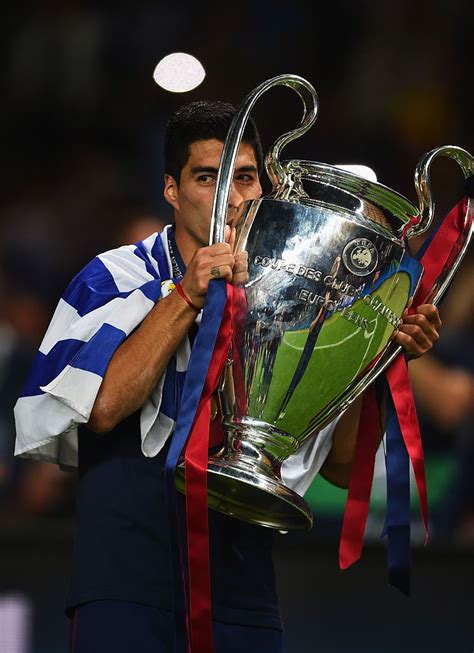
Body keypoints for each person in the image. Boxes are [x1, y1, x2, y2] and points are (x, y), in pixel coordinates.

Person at [13, 100, 441, 652]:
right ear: (171, 189)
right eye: (206, 177)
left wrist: (379, 351)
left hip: (245, 597)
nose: (228, 196)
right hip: (126, 587)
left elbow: (341, 467)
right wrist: (189, 294)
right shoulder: (115, 277)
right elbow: (103, 406)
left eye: (243, 177)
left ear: (265, 187)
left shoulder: (298, 301)